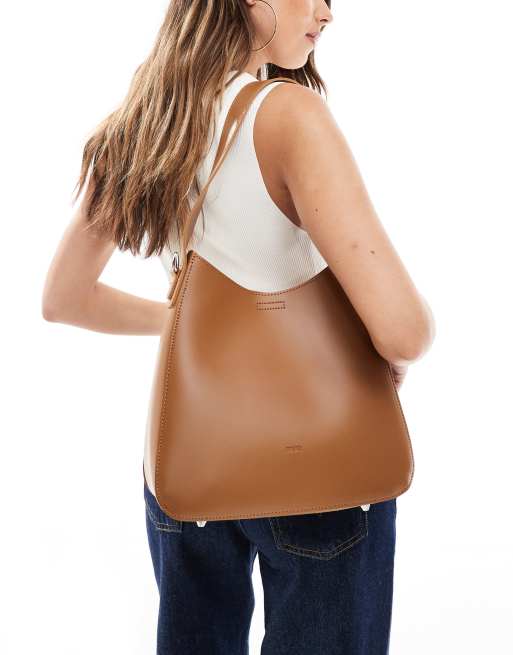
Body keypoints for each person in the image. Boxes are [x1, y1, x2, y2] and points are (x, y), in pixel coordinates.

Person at [42, 1, 436, 653]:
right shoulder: (287, 114)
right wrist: (405, 329)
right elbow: (403, 333)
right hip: (316, 465)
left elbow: (65, 298)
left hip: (187, 457)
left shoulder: (145, 122)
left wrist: (189, 326)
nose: (327, 13)